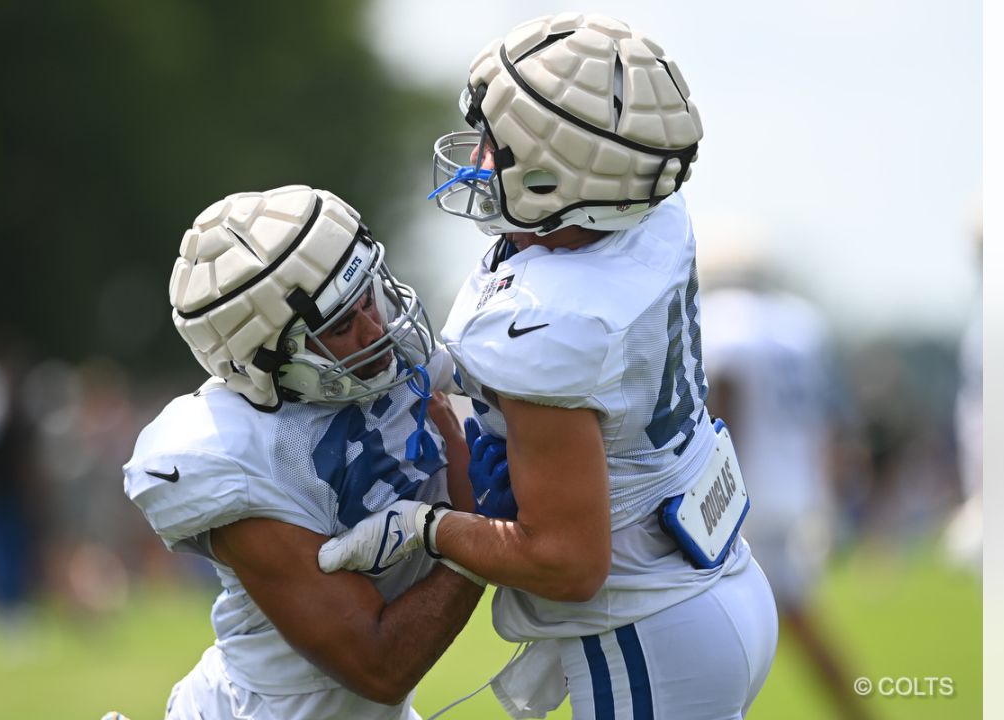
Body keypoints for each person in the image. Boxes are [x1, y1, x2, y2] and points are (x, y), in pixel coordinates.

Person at [320, 13, 778, 719]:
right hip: (716, 581)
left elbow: (568, 563)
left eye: (497, 145)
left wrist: (429, 528)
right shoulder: (647, 213)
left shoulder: (545, 320)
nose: (476, 156)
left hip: (645, 627)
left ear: (553, 171)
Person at [121, 184, 506, 720]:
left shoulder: (388, 358)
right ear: (266, 359)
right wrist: (474, 541)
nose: (376, 329)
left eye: (367, 296)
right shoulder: (235, 455)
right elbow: (381, 664)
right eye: (341, 325)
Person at [697, 236, 871, 720]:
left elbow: (726, 410)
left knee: (706, 619)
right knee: (786, 614)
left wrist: (714, 488)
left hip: (745, 490)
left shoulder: (723, 319)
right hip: (798, 485)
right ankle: (854, 707)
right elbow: (827, 417)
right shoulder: (800, 323)